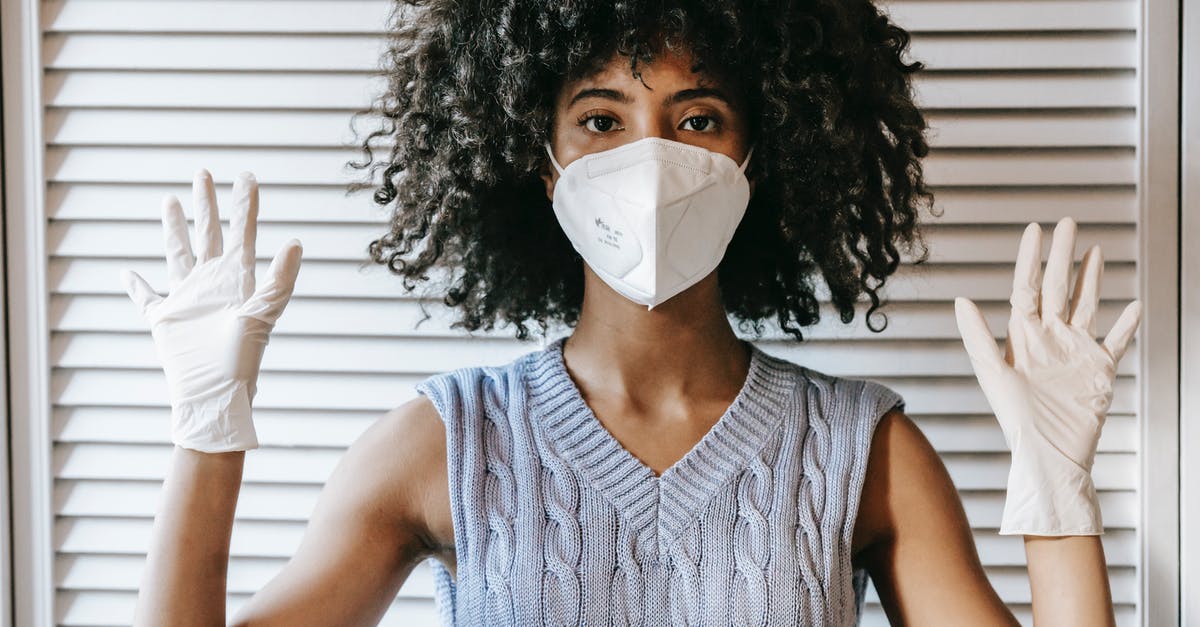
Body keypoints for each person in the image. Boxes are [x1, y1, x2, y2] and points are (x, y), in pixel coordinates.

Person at [121, 0, 1141, 625]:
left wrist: (1058, 502)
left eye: (697, 118)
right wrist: (206, 437)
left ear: (758, 151)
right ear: (544, 157)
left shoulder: (862, 449)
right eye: (602, 119)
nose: (649, 158)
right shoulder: (444, 442)